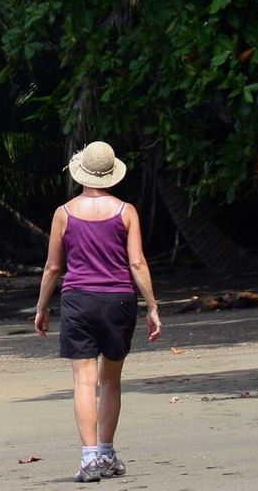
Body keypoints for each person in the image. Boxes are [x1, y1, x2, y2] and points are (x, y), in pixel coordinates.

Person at [34, 141, 164, 483]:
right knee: (110, 381)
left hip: (78, 300)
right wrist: (151, 305)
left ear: (82, 173)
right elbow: (136, 262)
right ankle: (106, 452)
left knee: (83, 381)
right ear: (111, 174)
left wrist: (41, 306)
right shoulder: (126, 212)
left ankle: (89, 457)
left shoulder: (64, 212)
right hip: (118, 300)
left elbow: (52, 267)